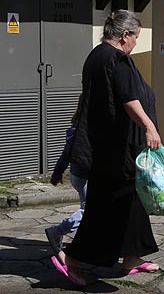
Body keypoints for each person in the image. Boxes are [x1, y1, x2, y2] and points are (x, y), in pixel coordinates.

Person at [50, 10, 161, 287]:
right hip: (116, 149)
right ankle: (73, 260)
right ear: (125, 35)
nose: (136, 42)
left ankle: (133, 257)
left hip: (109, 146)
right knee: (106, 209)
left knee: (132, 202)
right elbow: (128, 99)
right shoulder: (116, 59)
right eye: (135, 37)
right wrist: (149, 126)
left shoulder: (97, 55)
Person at [45, 96, 89, 255]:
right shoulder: (81, 129)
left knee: (90, 210)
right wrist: (57, 173)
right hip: (84, 176)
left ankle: (84, 242)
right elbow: (67, 154)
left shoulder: (78, 126)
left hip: (79, 175)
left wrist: (58, 173)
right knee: (88, 211)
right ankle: (57, 231)